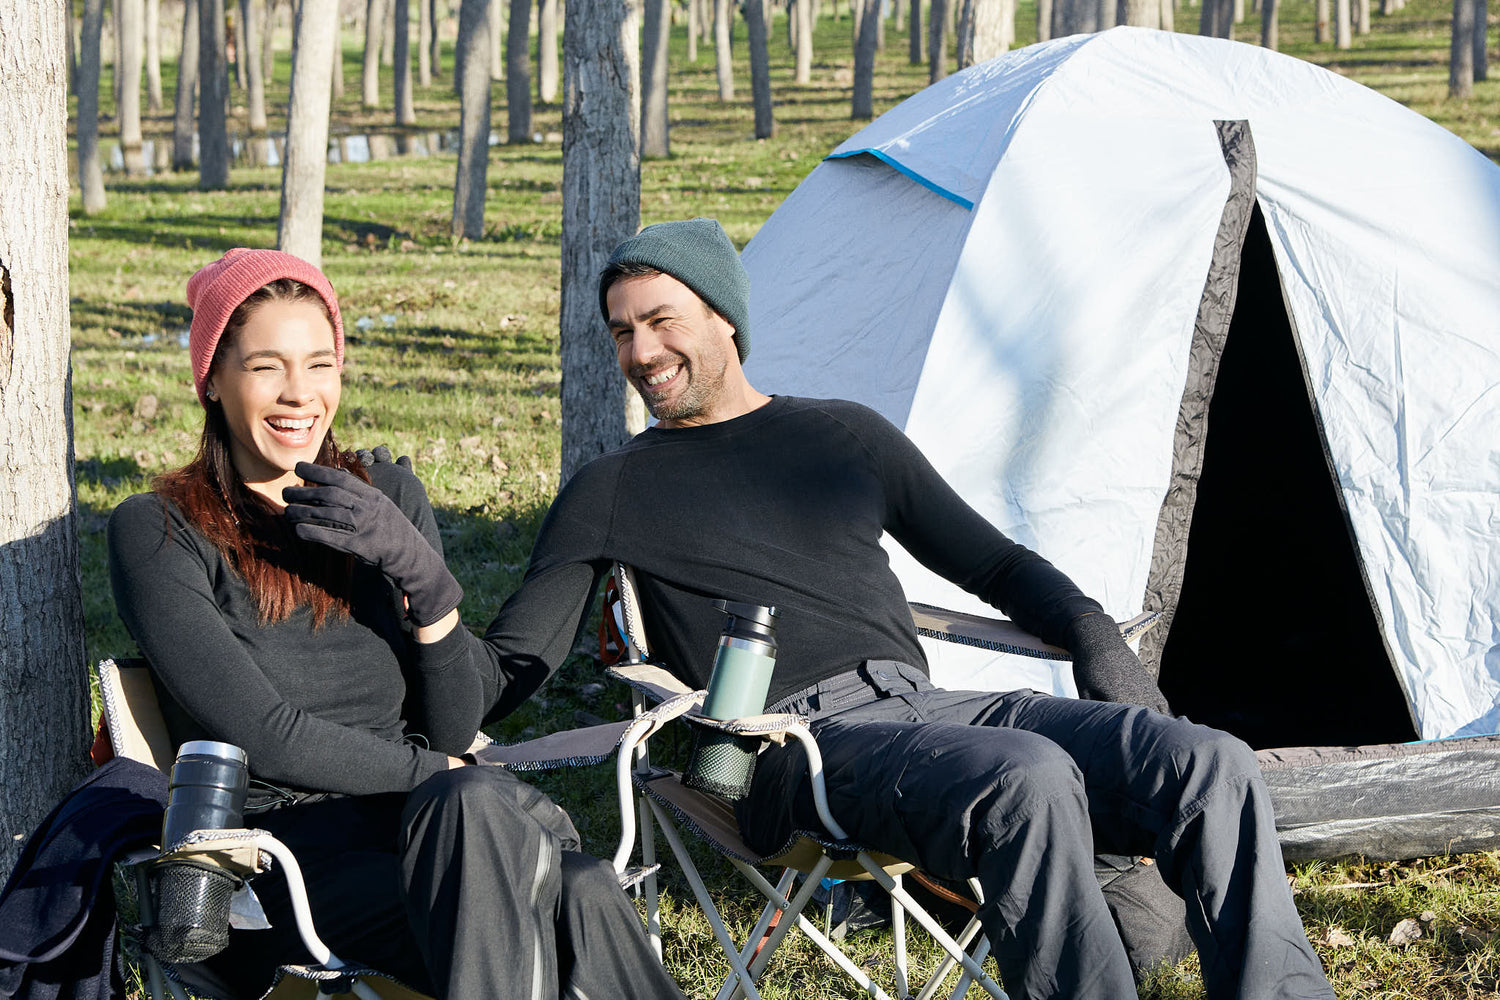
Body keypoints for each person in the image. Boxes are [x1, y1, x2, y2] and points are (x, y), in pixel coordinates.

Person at [454, 218, 1336, 1000]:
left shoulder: (845, 436)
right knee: (1024, 775)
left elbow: (993, 561)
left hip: (934, 709)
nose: (640, 353)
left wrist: (1092, 633)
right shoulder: (611, 489)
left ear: (725, 318)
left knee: (1207, 761)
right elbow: (515, 662)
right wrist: (418, 624)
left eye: (660, 321)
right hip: (785, 746)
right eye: (621, 332)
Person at [106, 247, 686, 1000]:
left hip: (437, 827)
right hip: (281, 860)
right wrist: (443, 778)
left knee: (568, 883)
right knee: (563, 880)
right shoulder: (158, 530)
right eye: (266, 367)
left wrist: (427, 586)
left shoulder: (386, 499)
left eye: (320, 365)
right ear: (212, 379)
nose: (299, 394)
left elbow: (451, 728)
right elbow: (267, 732)